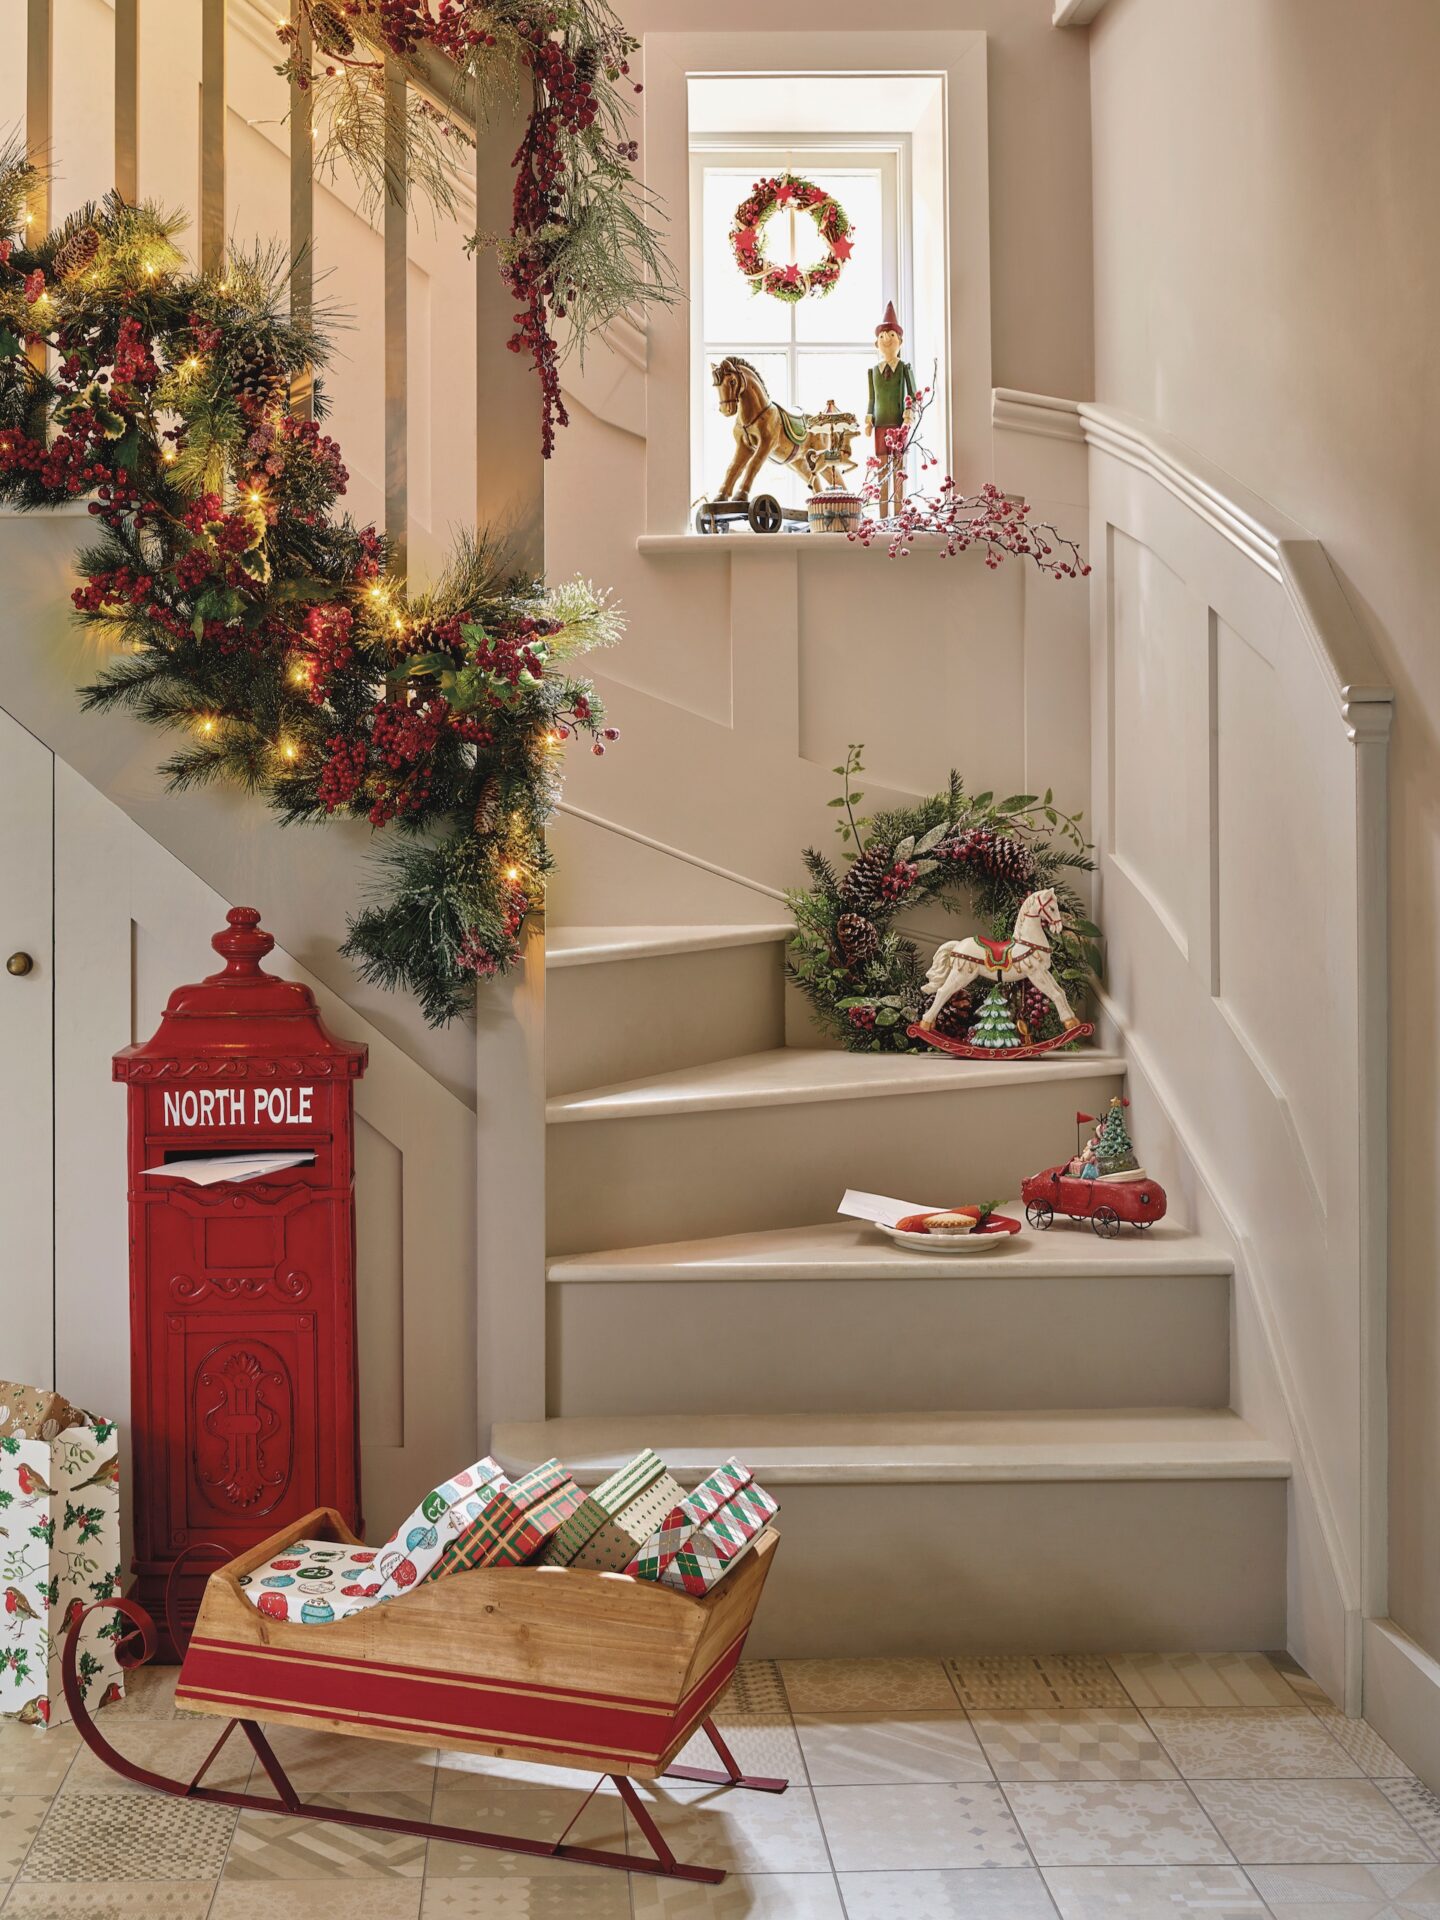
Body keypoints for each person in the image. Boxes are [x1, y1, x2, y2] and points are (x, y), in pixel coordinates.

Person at [864, 300, 917, 519]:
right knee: (881, 469)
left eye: (891, 335)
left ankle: (898, 513)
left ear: (900, 341)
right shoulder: (873, 371)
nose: (886, 339)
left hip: (898, 425)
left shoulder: (904, 368)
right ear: (876, 343)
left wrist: (908, 415)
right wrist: (868, 419)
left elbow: (912, 394)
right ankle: (883, 515)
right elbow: (872, 398)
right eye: (882, 336)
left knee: (898, 467)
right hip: (879, 426)